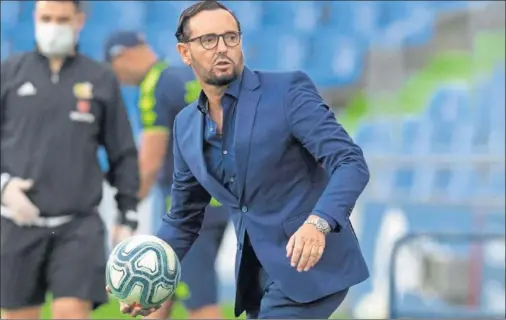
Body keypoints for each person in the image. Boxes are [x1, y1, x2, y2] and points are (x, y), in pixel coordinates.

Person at [113, 0, 370, 318]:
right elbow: (183, 217)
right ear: (184, 53)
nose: (222, 48)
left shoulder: (287, 91)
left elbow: (349, 161)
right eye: (208, 40)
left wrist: (318, 223)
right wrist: (149, 274)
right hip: (256, 277)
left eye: (230, 37)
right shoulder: (186, 124)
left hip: (309, 266)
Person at [0, 1, 139, 319]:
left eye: (62, 19)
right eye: (46, 18)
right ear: (35, 19)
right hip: (15, 224)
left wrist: (127, 213)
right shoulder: (8, 73)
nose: (53, 26)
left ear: (80, 21)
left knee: (71, 313)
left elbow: (122, 151)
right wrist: (4, 187)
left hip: (78, 226)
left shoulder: (100, 78)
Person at [103, 31, 229, 319]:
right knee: (161, 288)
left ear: (122, 56)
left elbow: (150, 159)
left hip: (189, 206)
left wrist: (127, 211)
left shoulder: (155, 85)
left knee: (201, 302)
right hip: (218, 200)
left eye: (115, 70)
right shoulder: (185, 77)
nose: (118, 78)